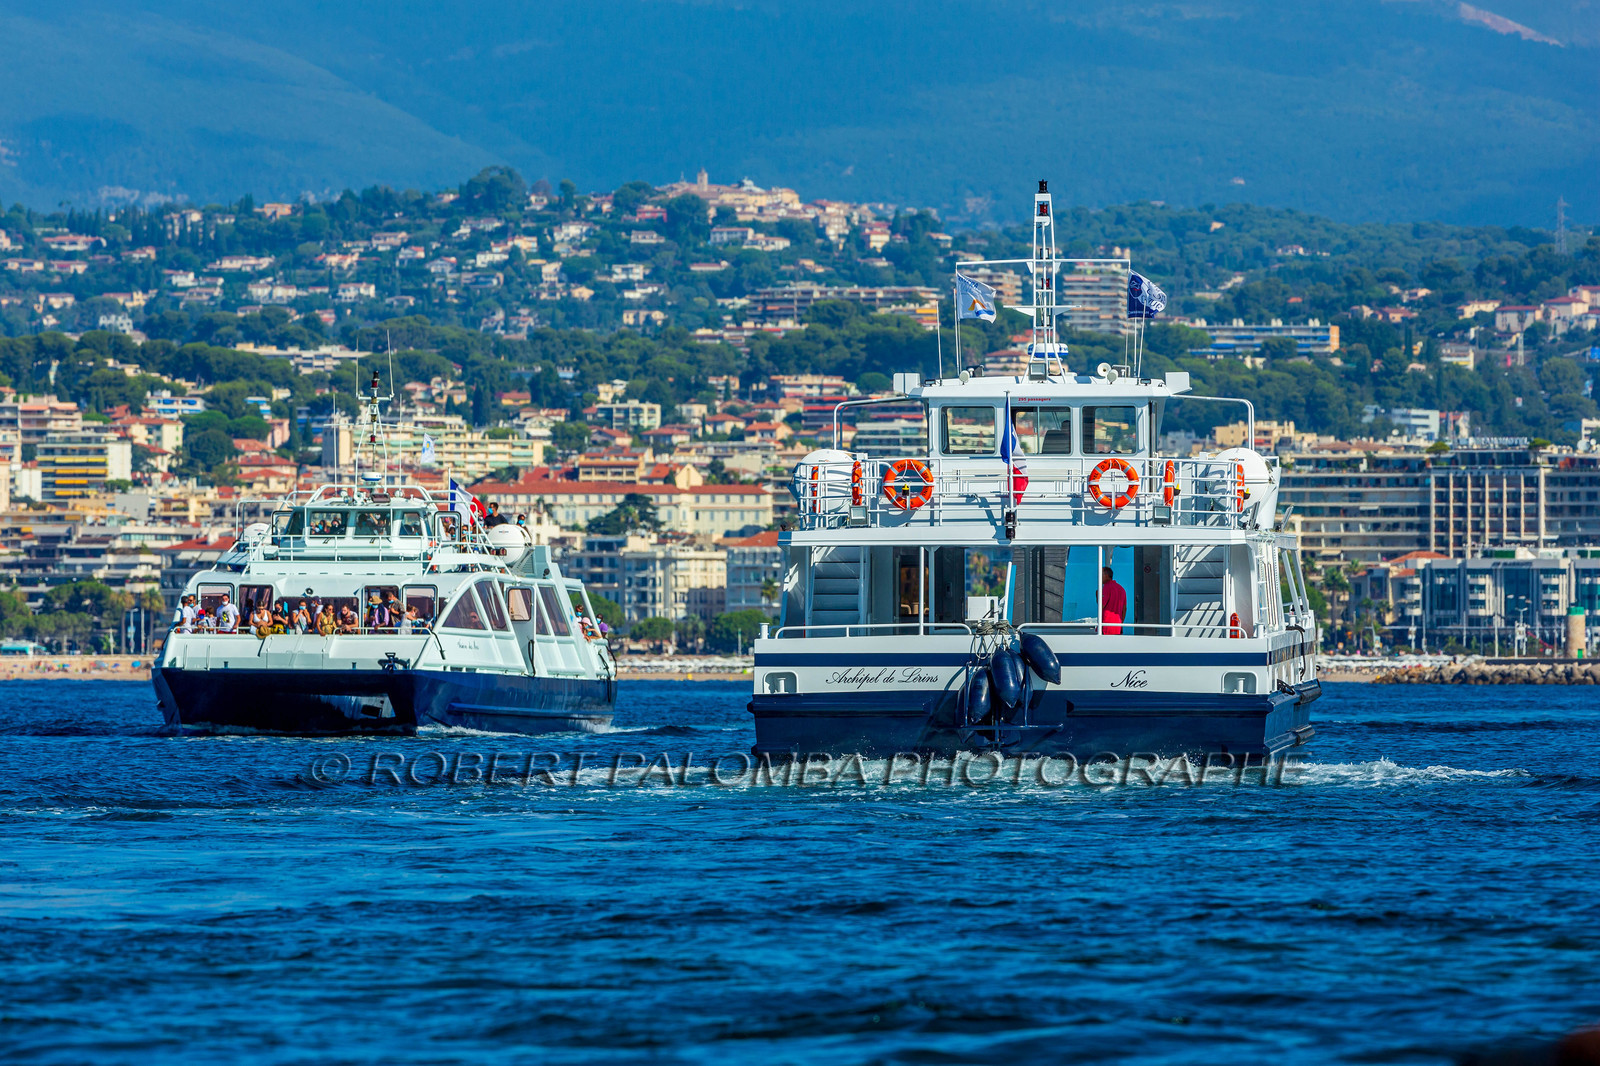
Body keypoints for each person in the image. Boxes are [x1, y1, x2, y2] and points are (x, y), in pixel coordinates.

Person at [1101, 566, 1127, 636]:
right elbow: (1124, 609)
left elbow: (1101, 606)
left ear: (1106, 575)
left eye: (1101, 574)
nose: (1099, 577)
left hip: (1106, 626)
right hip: (1117, 627)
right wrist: (1121, 623)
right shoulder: (1121, 589)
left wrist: (1097, 596)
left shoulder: (1106, 587)